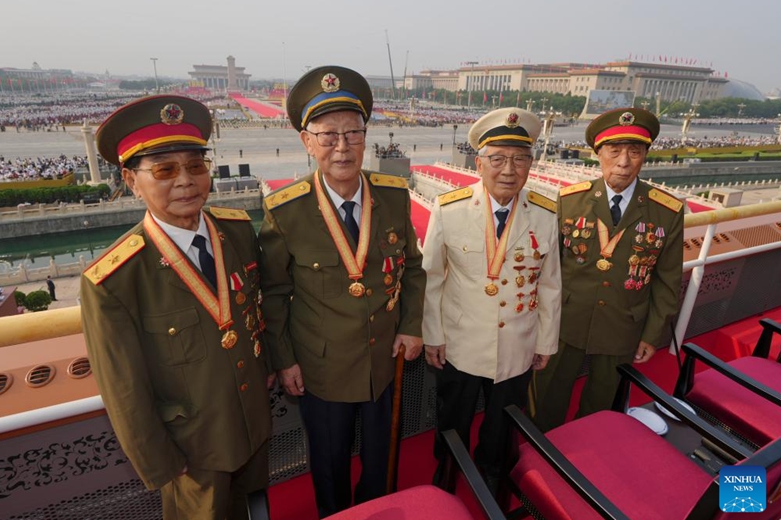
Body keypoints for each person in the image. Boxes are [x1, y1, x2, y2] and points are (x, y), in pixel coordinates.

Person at [80, 95, 272, 520]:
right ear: (131, 180)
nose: (185, 180)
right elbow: (124, 391)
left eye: (196, 165)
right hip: (192, 453)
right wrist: (163, 463)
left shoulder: (238, 233)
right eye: (165, 170)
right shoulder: (115, 279)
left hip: (252, 427)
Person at [259, 65, 426, 518]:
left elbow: (412, 268)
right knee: (329, 467)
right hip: (321, 368)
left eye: (352, 132)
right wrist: (285, 357)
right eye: (327, 134)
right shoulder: (287, 211)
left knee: (381, 462)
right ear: (306, 141)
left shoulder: (393, 196)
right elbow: (273, 293)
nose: (342, 146)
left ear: (366, 136)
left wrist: (412, 327)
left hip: (383, 362)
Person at [422, 108, 561, 492]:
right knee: (453, 421)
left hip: (517, 343)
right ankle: (447, 478)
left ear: (531, 164)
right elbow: (431, 279)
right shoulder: (449, 210)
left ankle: (494, 478)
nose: (508, 169)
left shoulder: (546, 216)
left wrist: (546, 341)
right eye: (497, 159)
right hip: (461, 342)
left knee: (502, 426)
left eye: (519, 159)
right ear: (479, 163)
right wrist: (433, 335)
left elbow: (550, 284)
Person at [532, 107, 684, 432]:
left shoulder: (666, 211)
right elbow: (549, 268)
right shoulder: (570, 201)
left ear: (645, 155)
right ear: (598, 154)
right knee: (546, 397)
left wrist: (651, 334)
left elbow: (667, 280)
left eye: (635, 151)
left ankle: (587, 459)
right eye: (614, 151)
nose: (624, 161)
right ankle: (538, 454)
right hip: (566, 320)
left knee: (600, 405)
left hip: (623, 325)